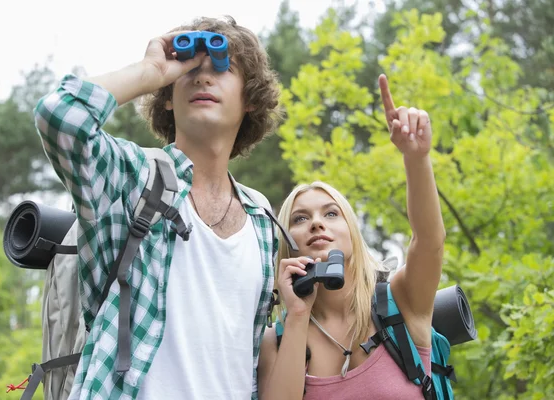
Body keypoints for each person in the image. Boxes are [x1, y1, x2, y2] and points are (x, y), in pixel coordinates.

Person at [34, 16, 283, 399]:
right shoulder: (134, 179)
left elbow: (247, 359)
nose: (202, 78)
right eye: (189, 70)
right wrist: (152, 70)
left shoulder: (261, 217)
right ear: (167, 97)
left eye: (222, 67)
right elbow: (62, 116)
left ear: (250, 99)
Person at [257, 74, 446, 399]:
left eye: (331, 213)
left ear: (352, 233)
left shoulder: (399, 302)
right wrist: (299, 316)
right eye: (300, 218)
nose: (317, 223)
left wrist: (416, 158)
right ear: (288, 242)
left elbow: (429, 241)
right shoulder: (275, 341)